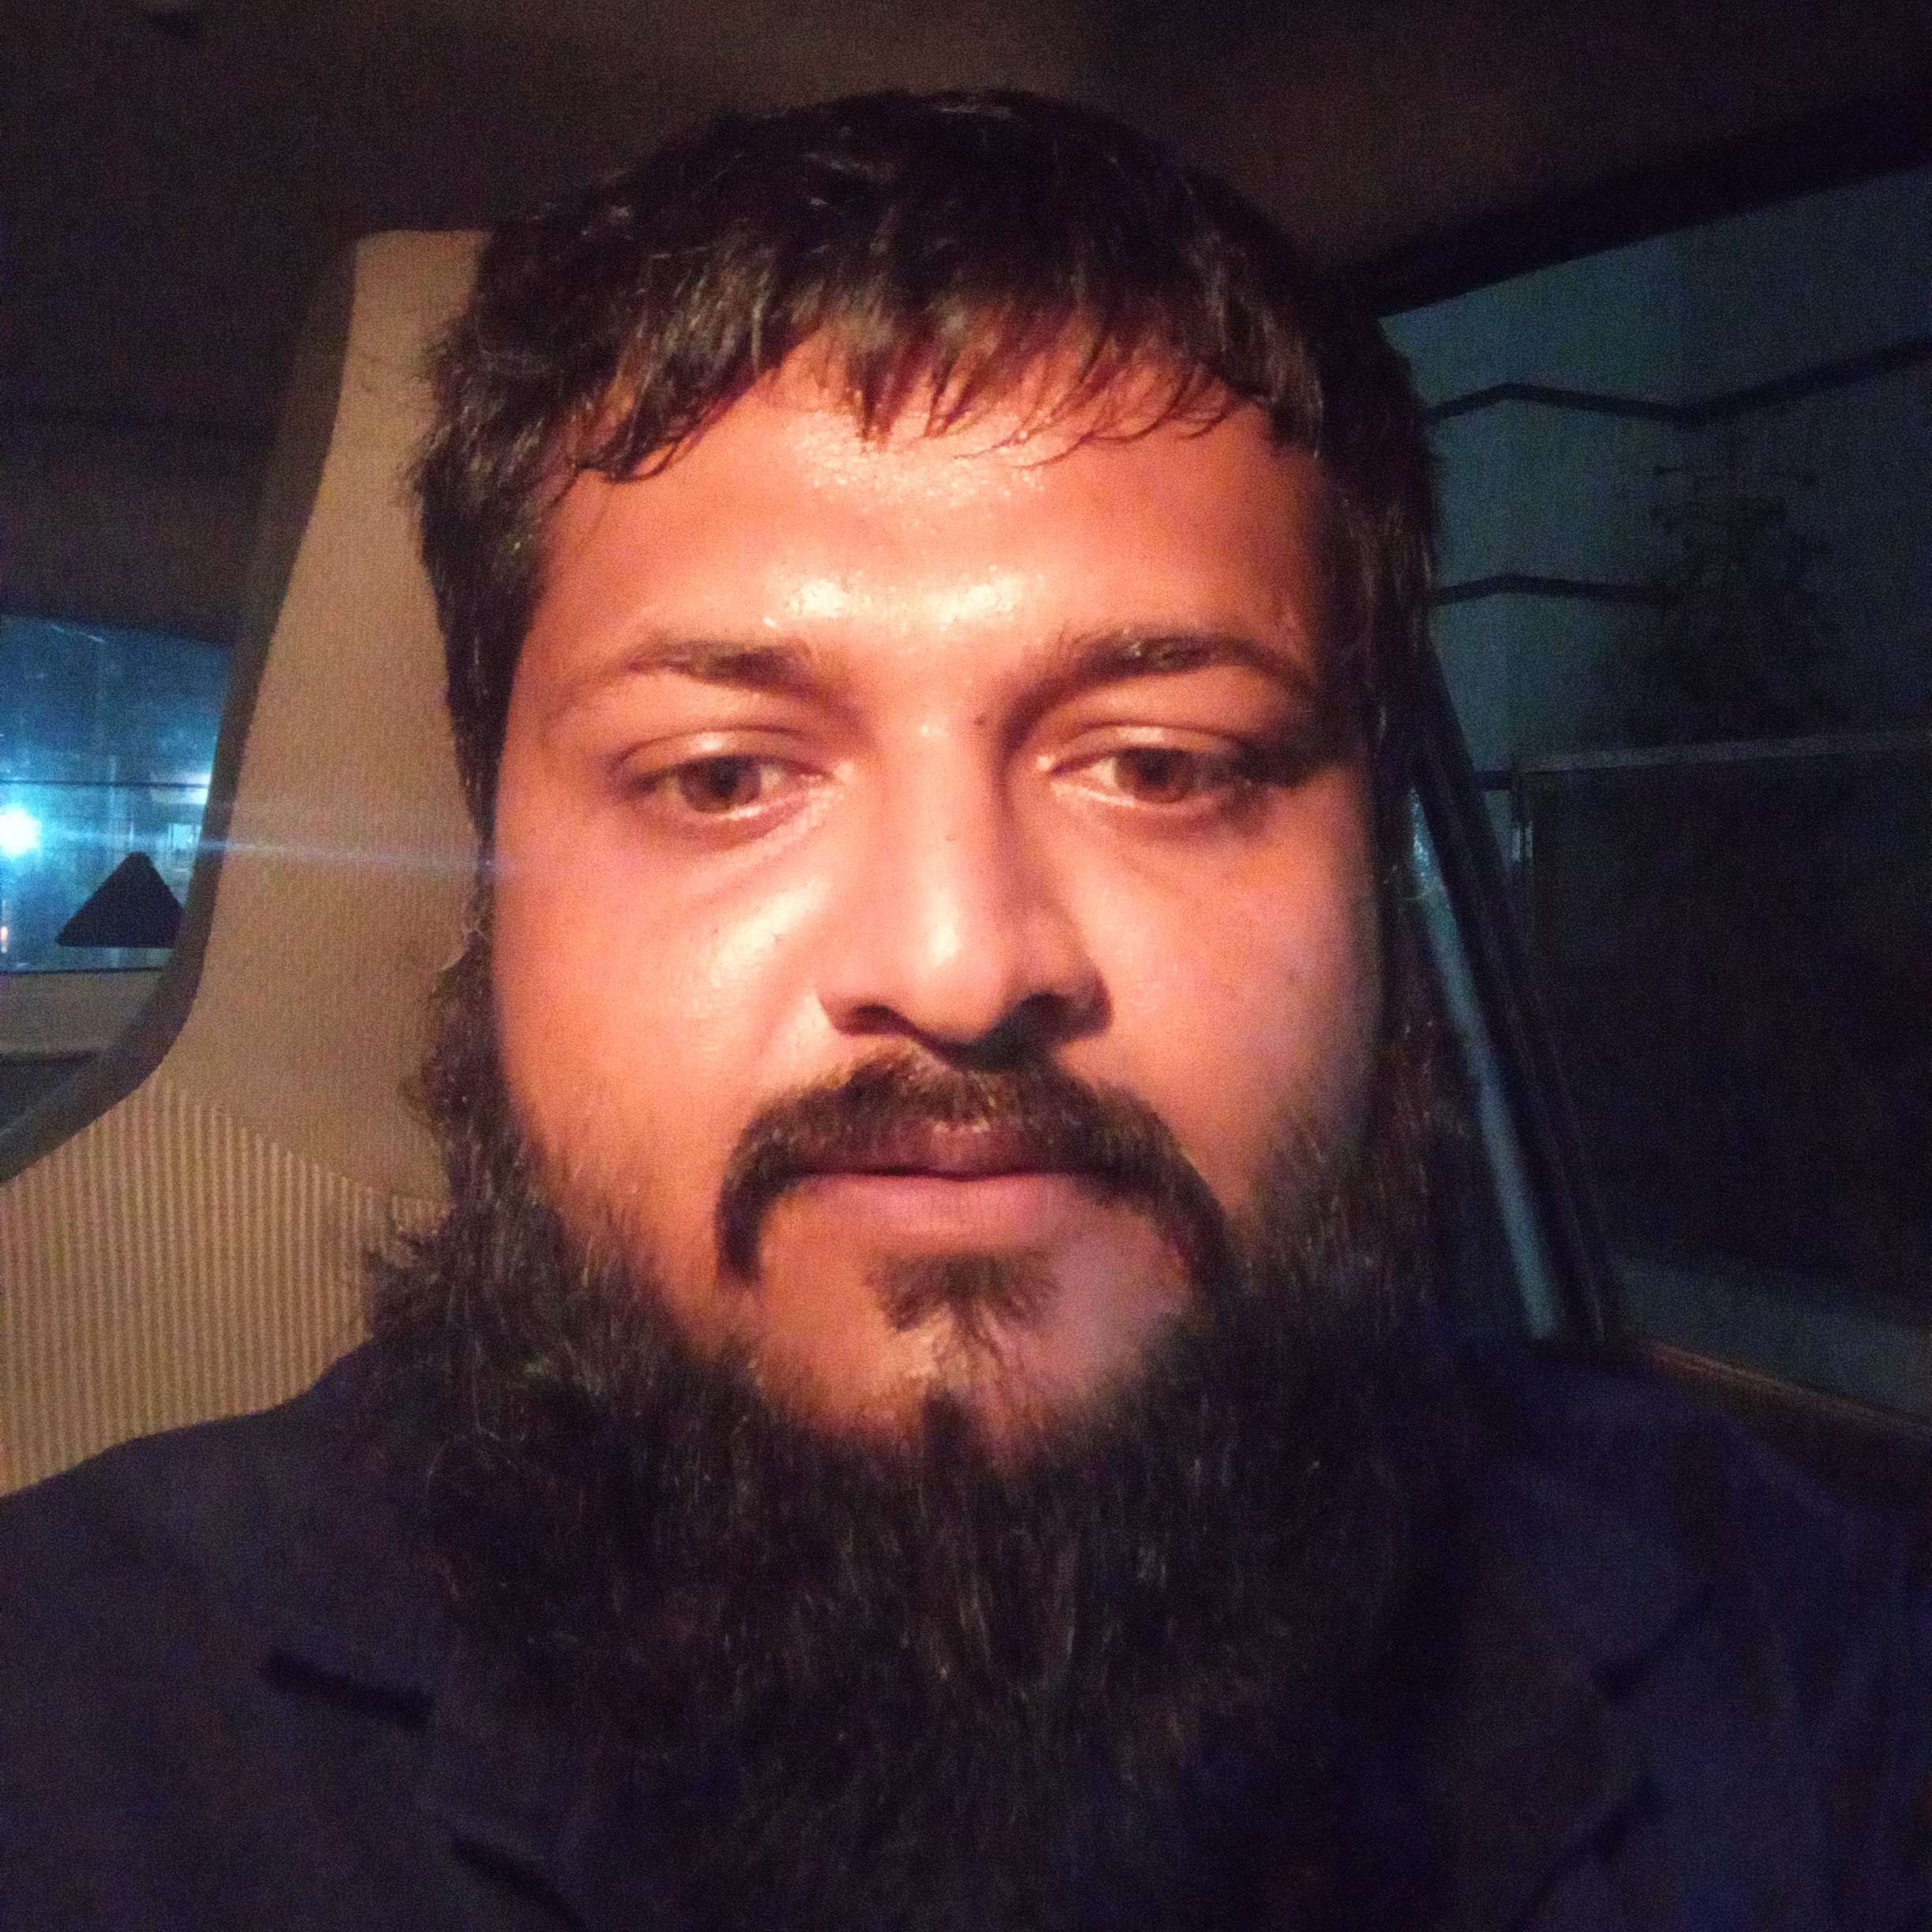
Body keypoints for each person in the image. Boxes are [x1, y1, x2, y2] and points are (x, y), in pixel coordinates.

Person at [0, 90, 1925, 1931]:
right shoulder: (74, 1738)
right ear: (491, 902)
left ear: (1380, 896)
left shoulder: (1784, 1663)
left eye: (1161, 764)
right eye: (722, 776)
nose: (957, 964)